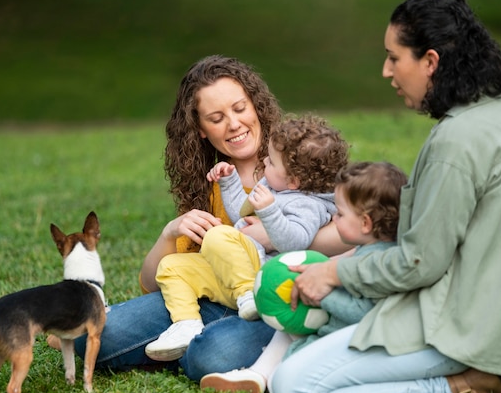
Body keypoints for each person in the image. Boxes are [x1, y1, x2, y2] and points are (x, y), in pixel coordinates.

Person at [270, 0, 501, 393]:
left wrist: (333, 274)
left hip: (472, 332)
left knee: (293, 386)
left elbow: (419, 263)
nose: (387, 71)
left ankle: (462, 386)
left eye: (394, 57)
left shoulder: (457, 142)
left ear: (430, 61)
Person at [64, 55, 349, 381]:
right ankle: (188, 336)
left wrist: (270, 234)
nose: (234, 124)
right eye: (216, 118)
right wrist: (169, 235)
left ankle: (192, 347)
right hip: (213, 296)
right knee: (89, 335)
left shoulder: (301, 161)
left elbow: (354, 234)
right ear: (200, 129)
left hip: (276, 296)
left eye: (240, 108)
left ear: (256, 106)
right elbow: (150, 282)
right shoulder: (213, 182)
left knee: (209, 355)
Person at [144, 114, 349, 361]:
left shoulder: (308, 205)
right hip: (235, 273)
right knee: (172, 266)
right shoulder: (275, 186)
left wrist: (270, 211)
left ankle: (247, 295)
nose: (264, 161)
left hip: (259, 274)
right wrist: (229, 180)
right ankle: (187, 323)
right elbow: (241, 211)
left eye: (271, 162)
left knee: (218, 235)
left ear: (294, 181)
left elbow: (296, 242)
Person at [200, 161, 408, 393]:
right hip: (327, 331)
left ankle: (266, 373)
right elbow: (338, 264)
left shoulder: (379, 262)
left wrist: (323, 297)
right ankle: (257, 375)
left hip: (345, 342)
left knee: (285, 374)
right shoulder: (366, 250)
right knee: (289, 320)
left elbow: (363, 314)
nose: (334, 219)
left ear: (365, 223)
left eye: (340, 213)